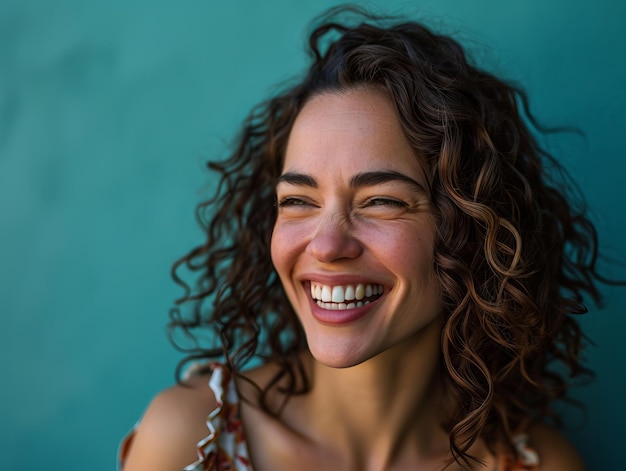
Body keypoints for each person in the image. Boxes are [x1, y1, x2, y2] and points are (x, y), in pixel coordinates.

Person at [119, 7, 617, 470]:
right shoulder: (185, 439)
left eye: (382, 201)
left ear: (470, 227)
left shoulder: (533, 464)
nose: (327, 246)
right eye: (298, 201)